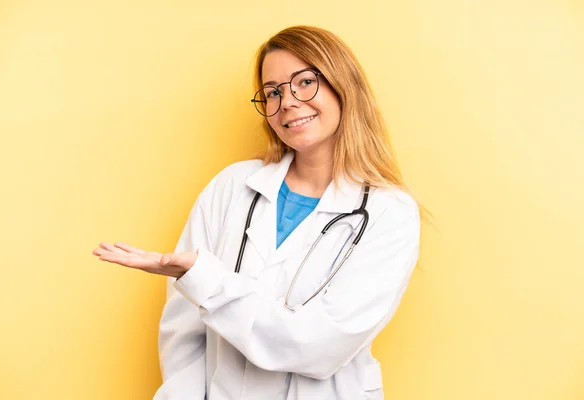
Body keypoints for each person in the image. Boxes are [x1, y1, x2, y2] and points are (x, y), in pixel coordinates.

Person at [93, 25, 422, 400]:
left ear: (342, 86)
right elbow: (183, 333)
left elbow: (320, 346)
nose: (288, 102)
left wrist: (206, 280)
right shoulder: (231, 187)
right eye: (273, 92)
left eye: (305, 82)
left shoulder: (388, 212)